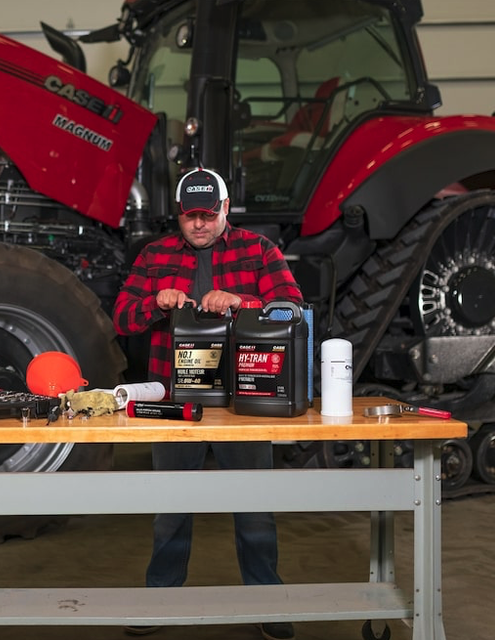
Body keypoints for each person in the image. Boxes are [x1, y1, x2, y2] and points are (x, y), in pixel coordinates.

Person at [112, 167, 303, 640]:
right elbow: (121, 319)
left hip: (243, 399)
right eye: (189, 215)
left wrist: (241, 301)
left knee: (254, 504)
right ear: (178, 213)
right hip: (175, 400)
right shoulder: (154, 255)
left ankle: (266, 601)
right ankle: (162, 599)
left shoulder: (258, 251)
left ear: (225, 208)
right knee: (171, 505)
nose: (198, 224)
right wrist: (156, 301)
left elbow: (293, 308)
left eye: (208, 214)